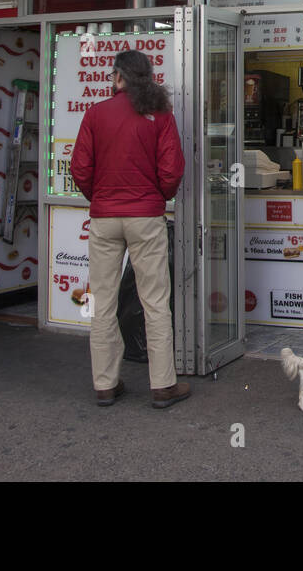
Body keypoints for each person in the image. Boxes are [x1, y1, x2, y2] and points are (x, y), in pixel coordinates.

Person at [71, 50, 188, 407]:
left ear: (118, 78)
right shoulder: (160, 115)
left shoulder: (95, 114)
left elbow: (79, 168)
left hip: (104, 219)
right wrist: (156, 197)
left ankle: (105, 384)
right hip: (145, 218)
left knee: (102, 303)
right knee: (155, 302)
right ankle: (162, 385)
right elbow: (172, 170)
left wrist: (101, 198)